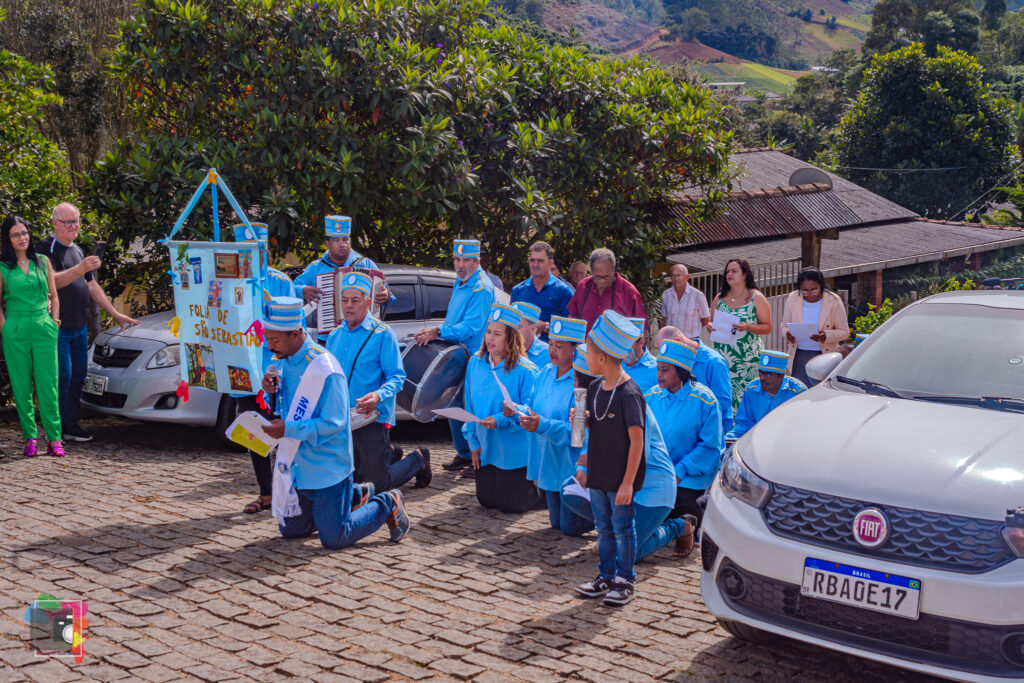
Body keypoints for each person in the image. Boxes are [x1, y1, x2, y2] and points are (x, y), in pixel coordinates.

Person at [259, 296, 410, 549]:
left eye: (274, 340)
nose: (269, 345)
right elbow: (282, 407)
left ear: (296, 333)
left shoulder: (324, 367)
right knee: (291, 530)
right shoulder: (282, 361)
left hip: (326, 467)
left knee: (334, 537)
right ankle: (353, 497)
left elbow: (335, 424)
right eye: (268, 338)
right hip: (297, 467)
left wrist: (288, 429)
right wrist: (269, 391)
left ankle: (388, 503)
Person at [562, 348, 690, 559]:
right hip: (615, 483)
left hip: (651, 488)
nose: (573, 383)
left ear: (602, 360)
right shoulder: (597, 393)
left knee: (630, 552)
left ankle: (680, 526)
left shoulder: (630, 396)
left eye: (576, 379)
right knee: (569, 490)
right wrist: (584, 458)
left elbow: (639, 451)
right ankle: (615, 533)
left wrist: (596, 460)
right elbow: (598, 439)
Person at [39, 203, 139, 442]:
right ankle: (56, 427)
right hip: (57, 325)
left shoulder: (78, 250)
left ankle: (71, 425)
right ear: (55, 223)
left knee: (78, 375)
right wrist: (80, 268)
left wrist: (114, 312)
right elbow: (51, 281)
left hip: (78, 325)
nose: (74, 226)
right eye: (68, 222)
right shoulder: (45, 248)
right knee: (61, 376)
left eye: (77, 221)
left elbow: (91, 285)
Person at [326, 272, 430, 493]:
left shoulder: (382, 334)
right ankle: (390, 454)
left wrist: (378, 396)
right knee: (352, 480)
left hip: (372, 418)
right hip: (344, 418)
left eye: (355, 300)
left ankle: (418, 459)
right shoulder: (335, 335)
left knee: (376, 487)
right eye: (345, 300)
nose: (349, 306)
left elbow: (397, 376)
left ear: (368, 302)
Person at [574, 311, 645, 607]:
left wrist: (628, 483)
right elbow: (599, 428)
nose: (586, 358)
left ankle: (625, 579)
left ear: (602, 357)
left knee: (622, 528)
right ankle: (605, 575)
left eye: (588, 353)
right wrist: (584, 423)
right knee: (602, 526)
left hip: (620, 477)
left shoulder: (629, 393)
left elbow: (637, 441)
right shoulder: (593, 388)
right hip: (599, 471)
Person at [233, 223, 299, 514]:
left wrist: (279, 367)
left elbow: (296, 329)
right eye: (247, 251)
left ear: (267, 251)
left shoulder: (280, 281)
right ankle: (266, 493)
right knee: (253, 431)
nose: (255, 256)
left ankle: (290, 492)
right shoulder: (226, 284)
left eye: (260, 249)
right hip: (242, 373)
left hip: (274, 371)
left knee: (284, 432)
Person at [415, 238, 496, 474]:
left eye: (466, 260)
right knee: (452, 403)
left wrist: (439, 331)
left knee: (470, 407)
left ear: (477, 261)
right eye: (457, 259)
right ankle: (463, 454)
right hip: (456, 353)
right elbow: (455, 319)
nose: (460, 265)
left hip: (473, 356)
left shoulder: (481, 288)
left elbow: (471, 327)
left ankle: (476, 458)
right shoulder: (461, 282)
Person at [645, 340, 724, 557]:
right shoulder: (650, 398)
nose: (659, 375)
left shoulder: (705, 400)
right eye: (658, 369)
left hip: (688, 479)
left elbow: (710, 447)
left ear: (681, 371)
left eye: (665, 370)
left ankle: (685, 526)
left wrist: (679, 471)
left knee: (678, 506)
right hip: (655, 475)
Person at [512, 316, 589, 535]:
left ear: (576, 350)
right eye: (551, 344)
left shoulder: (582, 383)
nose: (552, 350)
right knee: (556, 524)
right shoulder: (545, 372)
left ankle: (606, 519)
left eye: (560, 346)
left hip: (570, 464)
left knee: (568, 528)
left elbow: (577, 434)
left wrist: (542, 425)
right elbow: (532, 404)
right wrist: (518, 410)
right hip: (548, 460)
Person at [463, 303, 542, 513]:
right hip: (485, 445)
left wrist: (503, 417)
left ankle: (547, 492)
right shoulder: (475, 362)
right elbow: (468, 404)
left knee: (511, 505)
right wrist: (472, 442)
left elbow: (531, 410)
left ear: (511, 338)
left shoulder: (526, 370)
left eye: (497, 334)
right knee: (486, 500)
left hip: (514, 449)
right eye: (488, 332)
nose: (490, 338)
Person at [0, 216, 63, 457]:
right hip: (15, 326)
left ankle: (54, 438)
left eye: (24, 233)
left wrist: (54, 321)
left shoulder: (43, 262)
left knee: (49, 383)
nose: (21, 238)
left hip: (42, 324)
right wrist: (5, 326)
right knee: (21, 384)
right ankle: (30, 437)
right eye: (15, 234)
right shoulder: (3, 267)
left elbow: (54, 296)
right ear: (8, 238)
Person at [294, 215, 391, 342]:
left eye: (345, 240)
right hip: (329, 336)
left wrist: (385, 295)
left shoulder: (365, 264)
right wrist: (303, 290)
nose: (342, 245)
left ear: (350, 241)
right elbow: (292, 288)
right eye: (336, 241)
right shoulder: (316, 267)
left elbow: (386, 292)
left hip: (362, 335)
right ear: (327, 244)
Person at [708, 258, 771, 411]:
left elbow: (767, 327)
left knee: (748, 398)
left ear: (744, 275)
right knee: (724, 395)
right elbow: (711, 322)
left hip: (748, 360)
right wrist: (710, 327)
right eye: (727, 271)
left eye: (734, 271)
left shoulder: (756, 298)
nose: (729, 274)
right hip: (724, 358)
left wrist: (748, 326)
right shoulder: (719, 299)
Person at [655, 326, 733, 434]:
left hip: (711, 428)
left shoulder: (714, 362)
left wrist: (691, 414)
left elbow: (723, 401)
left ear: (678, 341)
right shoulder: (674, 364)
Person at [782, 267, 850, 387]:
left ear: (821, 286)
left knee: (822, 390)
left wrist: (825, 336)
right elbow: (784, 326)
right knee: (799, 390)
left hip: (825, 355)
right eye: (804, 291)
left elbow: (845, 332)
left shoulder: (833, 300)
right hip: (799, 355)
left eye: (814, 290)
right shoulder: (793, 298)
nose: (809, 295)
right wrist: (788, 333)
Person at [726, 350, 806, 441]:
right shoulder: (751, 389)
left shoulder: (798, 393)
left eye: (768, 374)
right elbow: (743, 425)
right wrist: (728, 440)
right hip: (757, 443)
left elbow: (802, 427)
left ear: (781, 376)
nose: (762, 378)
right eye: (761, 372)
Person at [567, 248, 645, 331]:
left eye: (607, 276)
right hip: (585, 343)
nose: (602, 280)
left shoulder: (629, 292)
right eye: (598, 276)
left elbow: (641, 330)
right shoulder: (583, 287)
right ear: (591, 272)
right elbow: (572, 319)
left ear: (613, 271)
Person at [509, 241, 574, 340]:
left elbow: (572, 327)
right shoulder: (517, 290)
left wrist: (546, 326)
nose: (535, 264)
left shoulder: (563, 291)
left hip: (551, 353)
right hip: (521, 352)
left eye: (540, 261)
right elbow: (511, 324)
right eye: (532, 260)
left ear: (550, 263)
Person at [660, 264, 710, 340]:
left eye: (679, 275)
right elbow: (664, 318)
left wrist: (692, 331)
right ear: (670, 278)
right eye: (673, 276)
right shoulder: (666, 295)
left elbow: (705, 319)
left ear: (687, 277)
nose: (676, 278)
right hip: (671, 341)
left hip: (691, 340)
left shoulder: (698, 296)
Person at [621, 317, 658, 393]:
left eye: (628, 344)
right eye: (622, 343)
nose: (624, 350)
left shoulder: (656, 369)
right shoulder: (614, 363)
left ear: (641, 342)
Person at [513, 301, 550, 367]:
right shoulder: (500, 347)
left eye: (518, 326)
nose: (512, 330)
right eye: (510, 325)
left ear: (533, 329)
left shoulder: (548, 355)